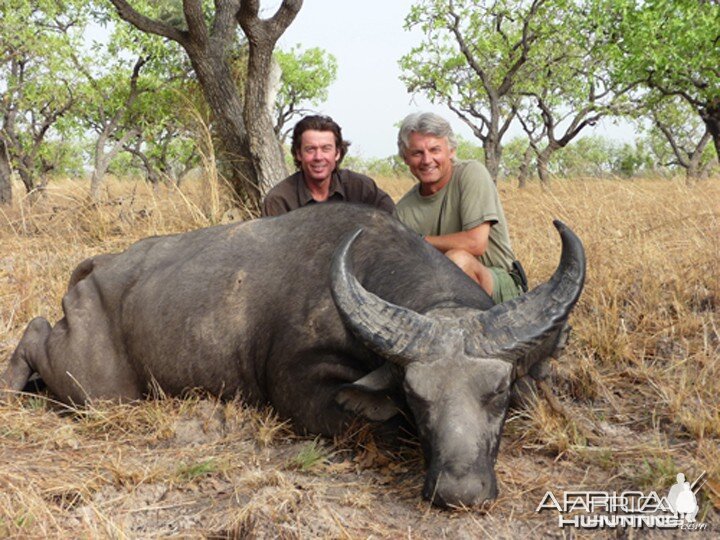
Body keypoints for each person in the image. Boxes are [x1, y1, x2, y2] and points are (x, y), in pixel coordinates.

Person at [394, 112, 525, 304]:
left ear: (451, 151)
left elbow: (475, 244)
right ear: (405, 158)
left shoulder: (471, 173)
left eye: (435, 150)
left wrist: (419, 241)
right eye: (417, 153)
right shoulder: (402, 211)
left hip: (497, 287)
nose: (427, 160)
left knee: (458, 261)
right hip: (436, 295)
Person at [261, 115, 395, 217]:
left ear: (337, 153)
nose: (318, 157)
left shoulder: (361, 188)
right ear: (298, 154)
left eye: (326, 149)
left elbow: (394, 224)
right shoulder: (279, 200)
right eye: (310, 149)